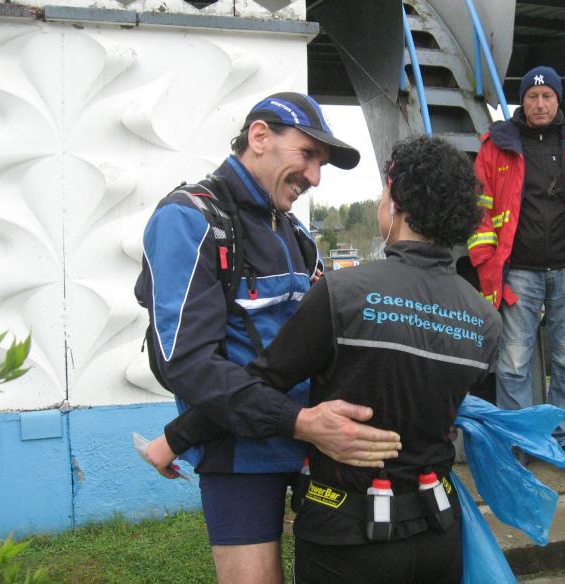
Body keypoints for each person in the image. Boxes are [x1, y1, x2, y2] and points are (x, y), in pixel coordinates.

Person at [147, 136, 502, 584]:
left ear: (396, 202)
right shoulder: (485, 319)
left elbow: (268, 376)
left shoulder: (344, 293)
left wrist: (176, 437)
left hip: (349, 531)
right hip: (437, 528)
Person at [134, 91, 402, 584]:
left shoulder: (295, 232)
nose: (315, 177)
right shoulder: (188, 219)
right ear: (259, 136)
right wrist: (300, 422)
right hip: (242, 456)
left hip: (317, 447)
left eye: (322, 164)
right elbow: (187, 365)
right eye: (308, 155)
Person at [467, 66, 565, 476]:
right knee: (513, 363)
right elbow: (479, 214)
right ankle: (519, 440)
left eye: (547, 96)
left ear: (558, 100)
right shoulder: (496, 146)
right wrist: (488, 269)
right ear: (522, 102)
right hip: (518, 272)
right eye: (531, 97)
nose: (539, 104)